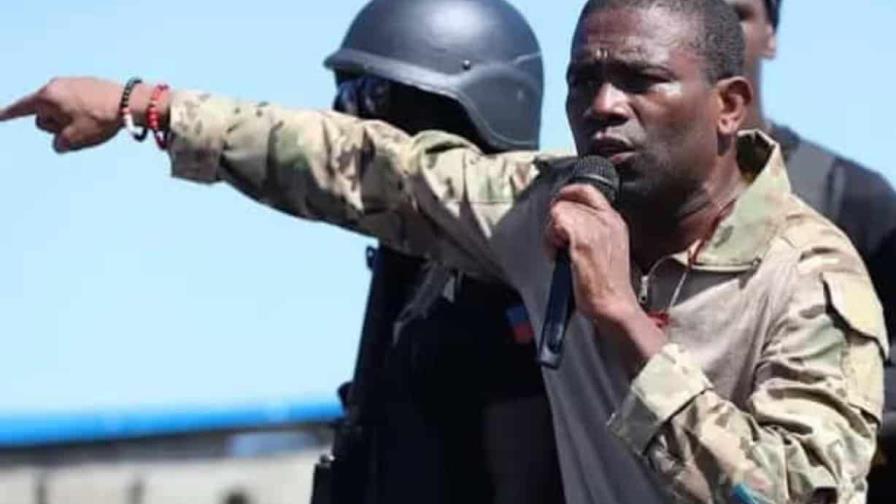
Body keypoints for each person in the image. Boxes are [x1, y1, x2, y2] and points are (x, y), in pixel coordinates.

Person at [0, 0, 887, 502]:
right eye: (587, 80)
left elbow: (787, 496)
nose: (605, 106)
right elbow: (365, 166)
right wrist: (140, 106)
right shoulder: (547, 204)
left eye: (642, 81)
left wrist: (621, 319)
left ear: (730, 104)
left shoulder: (809, 277)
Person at [318, 1, 563, 503]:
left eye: (372, 94)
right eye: (345, 95)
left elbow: (526, 486)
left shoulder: (498, 287)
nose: (349, 117)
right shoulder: (411, 277)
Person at [726, 1, 896, 498]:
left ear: (770, 35)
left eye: (736, 13)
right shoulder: (623, 203)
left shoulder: (853, 198)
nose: (718, 28)